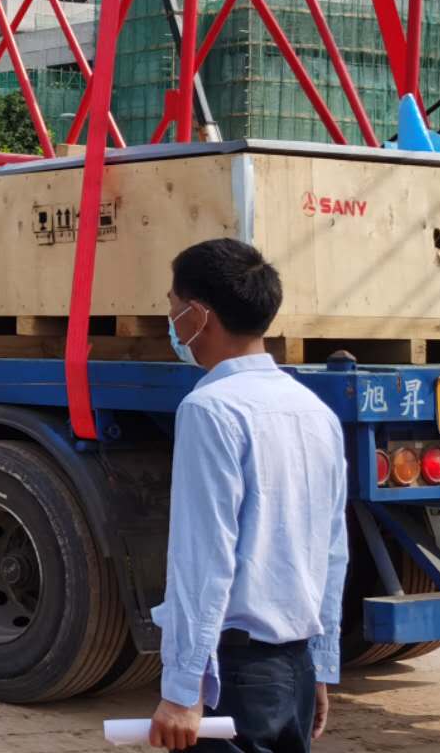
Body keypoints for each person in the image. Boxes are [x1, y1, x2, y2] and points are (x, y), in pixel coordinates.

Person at [149, 239, 348, 753]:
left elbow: (203, 560)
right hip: (294, 670)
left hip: (233, 677)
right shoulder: (315, 412)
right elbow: (331, 552)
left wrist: (181, 689)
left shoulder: (210, 409)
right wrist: (320, 666)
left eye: (173, 307)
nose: (171, 323)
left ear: (198, 315)